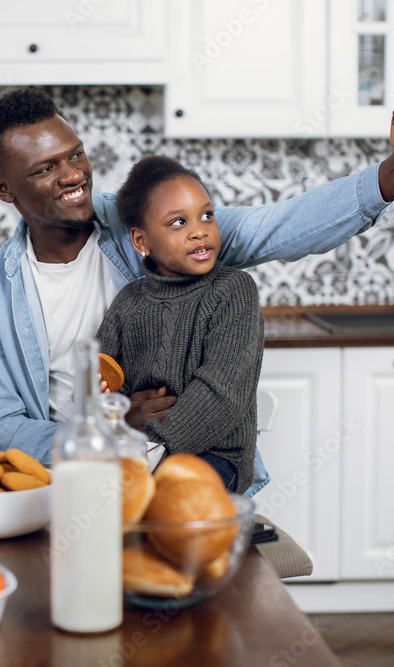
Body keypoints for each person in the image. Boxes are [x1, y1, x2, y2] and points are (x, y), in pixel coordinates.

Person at [0, 87, 394, 487]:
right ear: (4, 189)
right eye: (46, 168)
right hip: (58, 479)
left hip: (179, 464)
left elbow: (276, 226)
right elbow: (0, 428)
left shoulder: (150, 224)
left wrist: (390, 178)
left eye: (75, 155)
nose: (73, 175)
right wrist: (105, 433)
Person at [97, 156, 263, 492]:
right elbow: (101, 388)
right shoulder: (128, 302)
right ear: (141, 242)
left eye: (207, 215)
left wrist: (149, 447)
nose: (200, 230)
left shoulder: (233, 290)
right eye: (178, 222)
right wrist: (122, 409)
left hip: (215, 455)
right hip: (139, 450)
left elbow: (221, 395)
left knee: (165, 505)